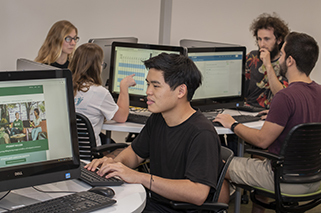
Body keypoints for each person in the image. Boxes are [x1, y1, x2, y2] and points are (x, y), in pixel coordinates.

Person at [85, 53, 223, 212]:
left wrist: (140, 177)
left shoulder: (202, 133)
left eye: (156, 86)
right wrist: (115, 164)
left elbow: (198, 193)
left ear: (180, 91)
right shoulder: (158, 119)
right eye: (148, 84)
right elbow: (136, 153)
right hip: (153, 203)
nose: (148, 91)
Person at [215, 32, 321, 213]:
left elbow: (261, 141)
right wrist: (275, 116)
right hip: (314, 179)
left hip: (282, 178)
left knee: (217, 165)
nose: (279, 58)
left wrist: (233, 123)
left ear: (290, 61)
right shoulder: (318, 91)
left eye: (282, 54)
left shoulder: (285, 96)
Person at [70, 43, 136, 146]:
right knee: (126, 151)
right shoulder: (99, 92)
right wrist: (124, 87)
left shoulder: (65, 87)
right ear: (96, 67)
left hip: (68, 153)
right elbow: (122, 117)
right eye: (102, 64)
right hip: (90, 155)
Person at [245, 13, 290, 109]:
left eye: (267, 39)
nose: (262, 44)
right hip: (248, 110)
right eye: (259, 39)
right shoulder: (251, 58)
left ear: (279, 40)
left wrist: (268, 65)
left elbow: (282, 96)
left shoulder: (286, 63)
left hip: (274, 112)